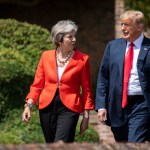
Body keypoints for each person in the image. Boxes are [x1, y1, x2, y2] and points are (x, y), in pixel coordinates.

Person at [22, 20, 94, 143]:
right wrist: (28, 106)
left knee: (60, 144)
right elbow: (37, 85)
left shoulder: (83, 59)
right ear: (59, 39)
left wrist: (86, 117)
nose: (74, 40)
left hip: (70, 108)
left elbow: (87, 91)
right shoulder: (46, 56)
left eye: (74, 36)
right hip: (47, 107)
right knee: (51, 144)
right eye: (69, 37)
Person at [95, 10, 150, 142]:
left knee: (135, 141)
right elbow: (103, 77)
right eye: (122, 24)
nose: (123, 28)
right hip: (117, 104)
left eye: (127, 25)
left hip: (141, 104)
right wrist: (101, 106)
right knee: (121, 143)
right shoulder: (113, 46)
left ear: (139, 27)